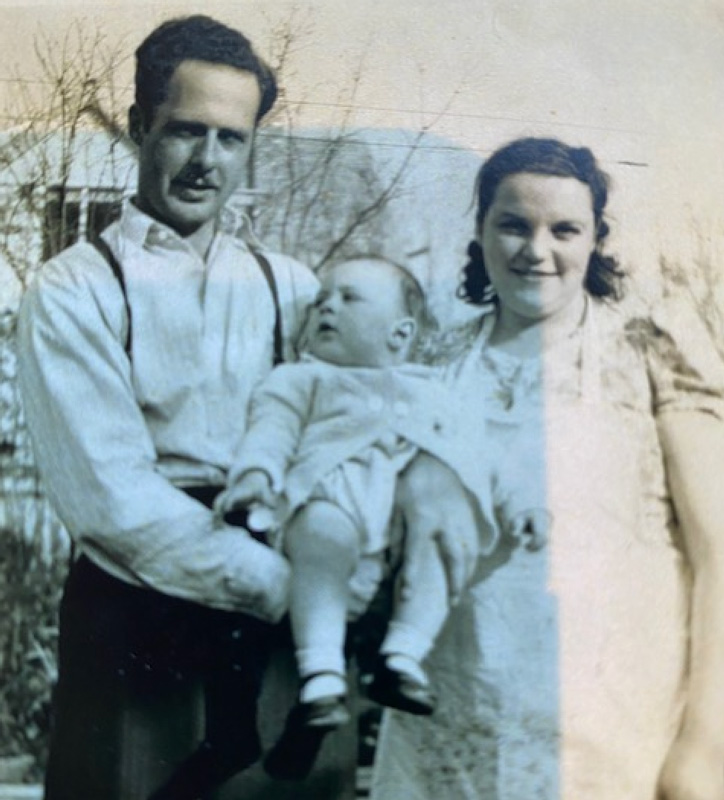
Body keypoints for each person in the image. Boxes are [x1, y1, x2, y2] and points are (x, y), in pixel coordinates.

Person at [15, 14, 342, 800]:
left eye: (230, 139)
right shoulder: (74, 289)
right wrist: (283, 587)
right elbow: (111, 498)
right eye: (184, 132)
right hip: (139, 611)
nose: (206, 162)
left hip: (277, 620)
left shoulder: (289, 287)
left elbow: (336, 443)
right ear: (137, 128)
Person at [370, 137, 724, 800]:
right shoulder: (433, 359)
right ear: (480, 233)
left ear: (594, 240)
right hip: (450, 728)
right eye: (512, 225)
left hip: (618, 734)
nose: (537, 251)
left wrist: (707, 741)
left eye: (565, 229)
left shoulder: (651, 353)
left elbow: (718, 553)